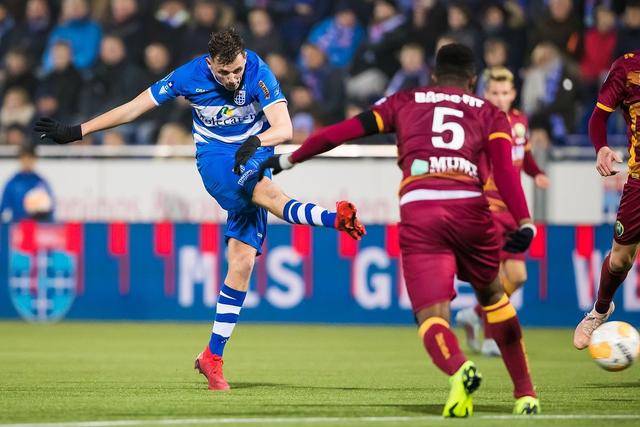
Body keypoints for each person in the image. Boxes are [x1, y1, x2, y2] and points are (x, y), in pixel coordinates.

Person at [34, 27, 365, 391]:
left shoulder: (258, 70)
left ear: (244, 58)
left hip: (253, 152)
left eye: (236, 70)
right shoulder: (188, 76)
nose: (232, 78)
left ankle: (212, 356)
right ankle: (335, 219)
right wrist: (78, 131)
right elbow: (134, 107)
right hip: (217, 159)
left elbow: (284, 128)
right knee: (269, 194)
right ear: (210, 65)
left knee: (242, 263)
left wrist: (257, 140)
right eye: (224, 72)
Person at [260, 44, 539, 417]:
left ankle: (460, 368)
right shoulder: (490, 113)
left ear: (434, 76)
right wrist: (525, 221)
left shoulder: (405, 101)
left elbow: (343, 132)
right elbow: (505, 171)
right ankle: (526, 395)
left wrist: (290, 158)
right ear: (473, 81)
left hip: (421, 210)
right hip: (471, 209)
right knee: (493, 297)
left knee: (431, 315)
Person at [456, 67, 550, 357]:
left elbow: (525, 156)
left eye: (504, 93)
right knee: (494, 278)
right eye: (494, 93)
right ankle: (490, 339)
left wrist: (536, 173)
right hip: (488, 207)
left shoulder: (520, 121)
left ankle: (474, 313)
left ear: (513, 94)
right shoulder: (479, 121)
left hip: (513, 210)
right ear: (485, 94)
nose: (499, 98)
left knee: (518, 276)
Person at [573, 49, 640, 349]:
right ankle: (600, 311)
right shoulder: (627, 67)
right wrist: (601, 147)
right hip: (639, 180)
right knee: (620, 259)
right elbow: (598, 118)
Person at [0, 144, 54, 222]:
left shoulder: (41, 182)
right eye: (25, 158)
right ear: (20, 159)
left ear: (35, 159)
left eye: (30, 158)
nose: (27, 161)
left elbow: (50, 209)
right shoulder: (12, 183)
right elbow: (4, 210)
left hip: (36, 227)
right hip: (17, 226)